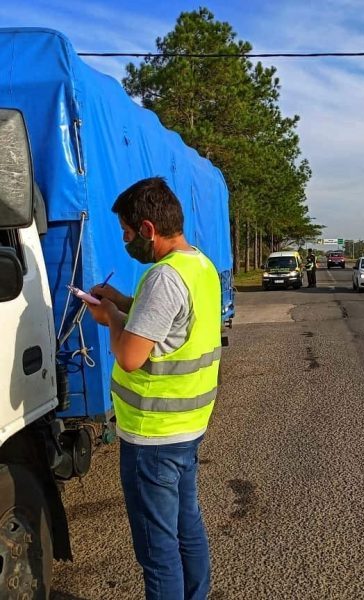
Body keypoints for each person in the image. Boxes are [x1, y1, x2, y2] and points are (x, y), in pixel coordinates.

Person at [84, 177, 221, 600]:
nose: (125, 242)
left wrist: (109, 316)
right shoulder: (199, 266)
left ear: (148, 228)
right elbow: (170, 323)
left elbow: (130, 355)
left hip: (152, 435)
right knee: (186, 527)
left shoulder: (163, 277)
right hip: (187, 426)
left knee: (158, 551)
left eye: (127, 233)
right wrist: (122, 301)